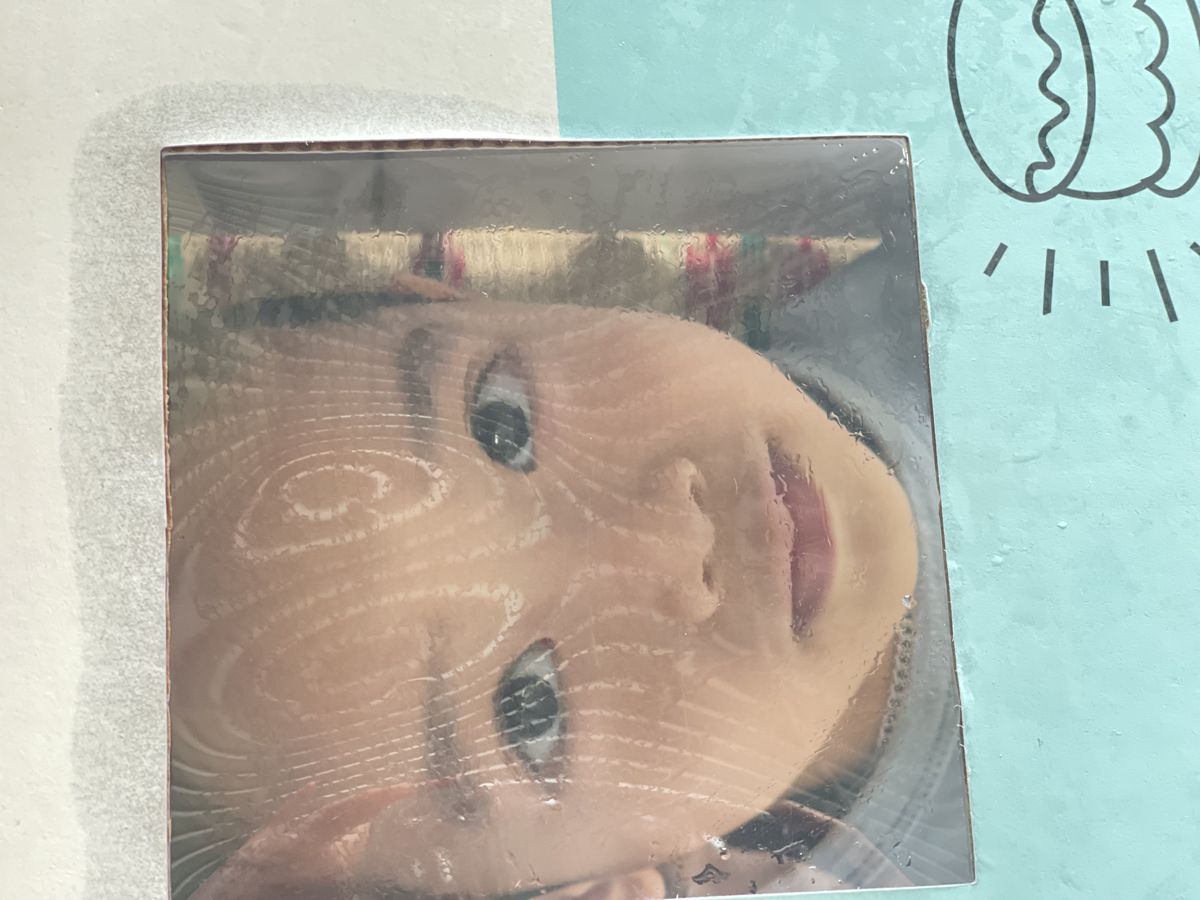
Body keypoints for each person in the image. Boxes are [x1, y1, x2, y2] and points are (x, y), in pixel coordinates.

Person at [168, 274, 919, 899]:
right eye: (532, 711)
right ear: (602, 890)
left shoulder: (926, 276)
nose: (673, 539)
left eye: (503, 421)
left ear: (466, 296)